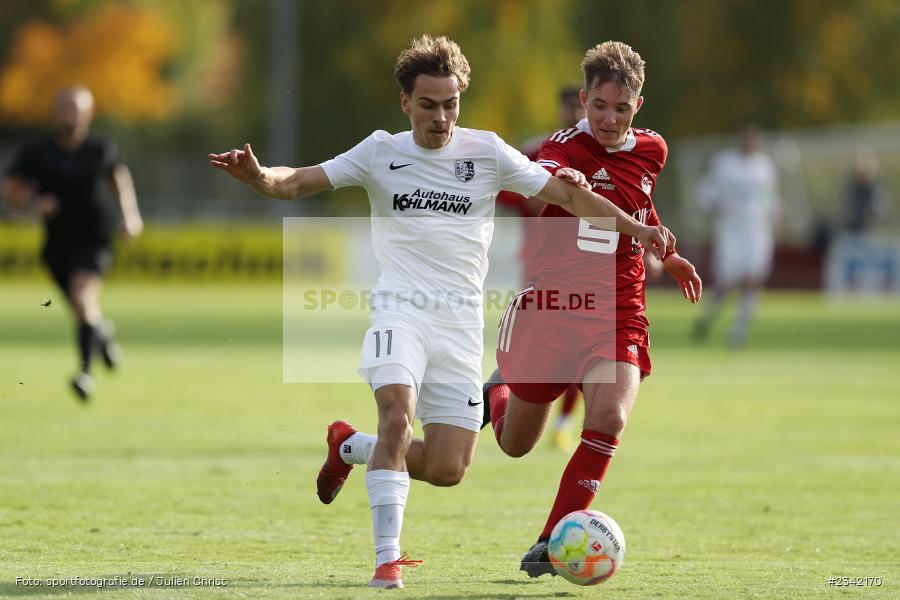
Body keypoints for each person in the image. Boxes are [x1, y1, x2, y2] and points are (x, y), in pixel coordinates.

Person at [208, 35, 673, 590]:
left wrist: (640, 228)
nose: (441, 116)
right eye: (428, 104)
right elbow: (301, 180)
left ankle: (348, 446)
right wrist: (261, 177)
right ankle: (387, 563)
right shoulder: (380, 151)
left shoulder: (487, 152)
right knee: (398, 418)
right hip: (399, 311)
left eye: (450, 103)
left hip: (459, 327)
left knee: (450, 468)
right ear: (406, 103)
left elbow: (572, 198)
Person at [480, 41, 702, 578]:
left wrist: (667, 256)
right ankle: (499, 393)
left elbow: (642, 201)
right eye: (599, 105)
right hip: (556, 308)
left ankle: (549, 541)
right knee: (514, 446)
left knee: (609, 416)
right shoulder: (560, 146)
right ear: (584, 99)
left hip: (619, 308)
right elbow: (553, 178)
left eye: (620, 109)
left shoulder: (653, 149)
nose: (608, 118)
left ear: (637, 107)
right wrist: (567, 181)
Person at [2, 85, 143, 401]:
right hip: (55, 247)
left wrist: (130, 216)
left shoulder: (100, 149)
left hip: (94, 240)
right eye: (65, 107)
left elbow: (120, 180)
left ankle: (85, 375)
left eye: (77, 108)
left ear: (89, 114)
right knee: (84, 311)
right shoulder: (37, 152)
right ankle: (102, 333)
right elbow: (10, 190)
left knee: (82, 300)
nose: (71, 114)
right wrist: (34, 202)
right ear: (55, 112)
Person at [495, 85, 586, 452]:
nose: (575, 115)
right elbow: (500, 187)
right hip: (538, 263)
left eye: (579, 108)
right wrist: (532, 197)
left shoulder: (603, 151)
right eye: (569, 108)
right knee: (538, 349)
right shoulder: (537, 150)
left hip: (587, 267)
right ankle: (503, 401)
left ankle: (562, 424)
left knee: (578, 350)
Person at [693, 124, 779, 346]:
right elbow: (705, 191)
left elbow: (769, 197)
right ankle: (708, 316)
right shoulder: (725, 163)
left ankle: (739, 330)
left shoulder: (764, 166)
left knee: (752, 278)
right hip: (730, 229)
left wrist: (776, 212)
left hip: (757, 230)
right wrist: (715, 205)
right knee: (727, 280)